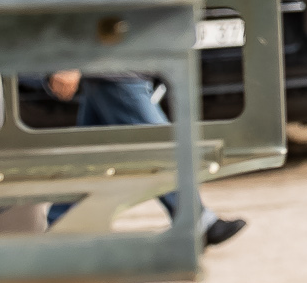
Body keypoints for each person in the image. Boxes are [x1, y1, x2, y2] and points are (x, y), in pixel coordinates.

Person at [40, 69, 247, 246]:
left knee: (88, 159)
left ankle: (59, 227)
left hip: (116, 67)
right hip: (115, 69)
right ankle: (196, 218)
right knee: (160, 149)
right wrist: (68, 64)